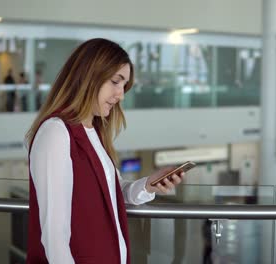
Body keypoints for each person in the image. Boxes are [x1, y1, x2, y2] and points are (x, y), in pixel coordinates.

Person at [25, 38, 184, 263]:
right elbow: (54, 235)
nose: (120, 95)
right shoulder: (56, 133)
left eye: (124, 86)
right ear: (89, 76)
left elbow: (112, 193)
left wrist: (149, 185)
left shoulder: (93, 132)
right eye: (115, 82)